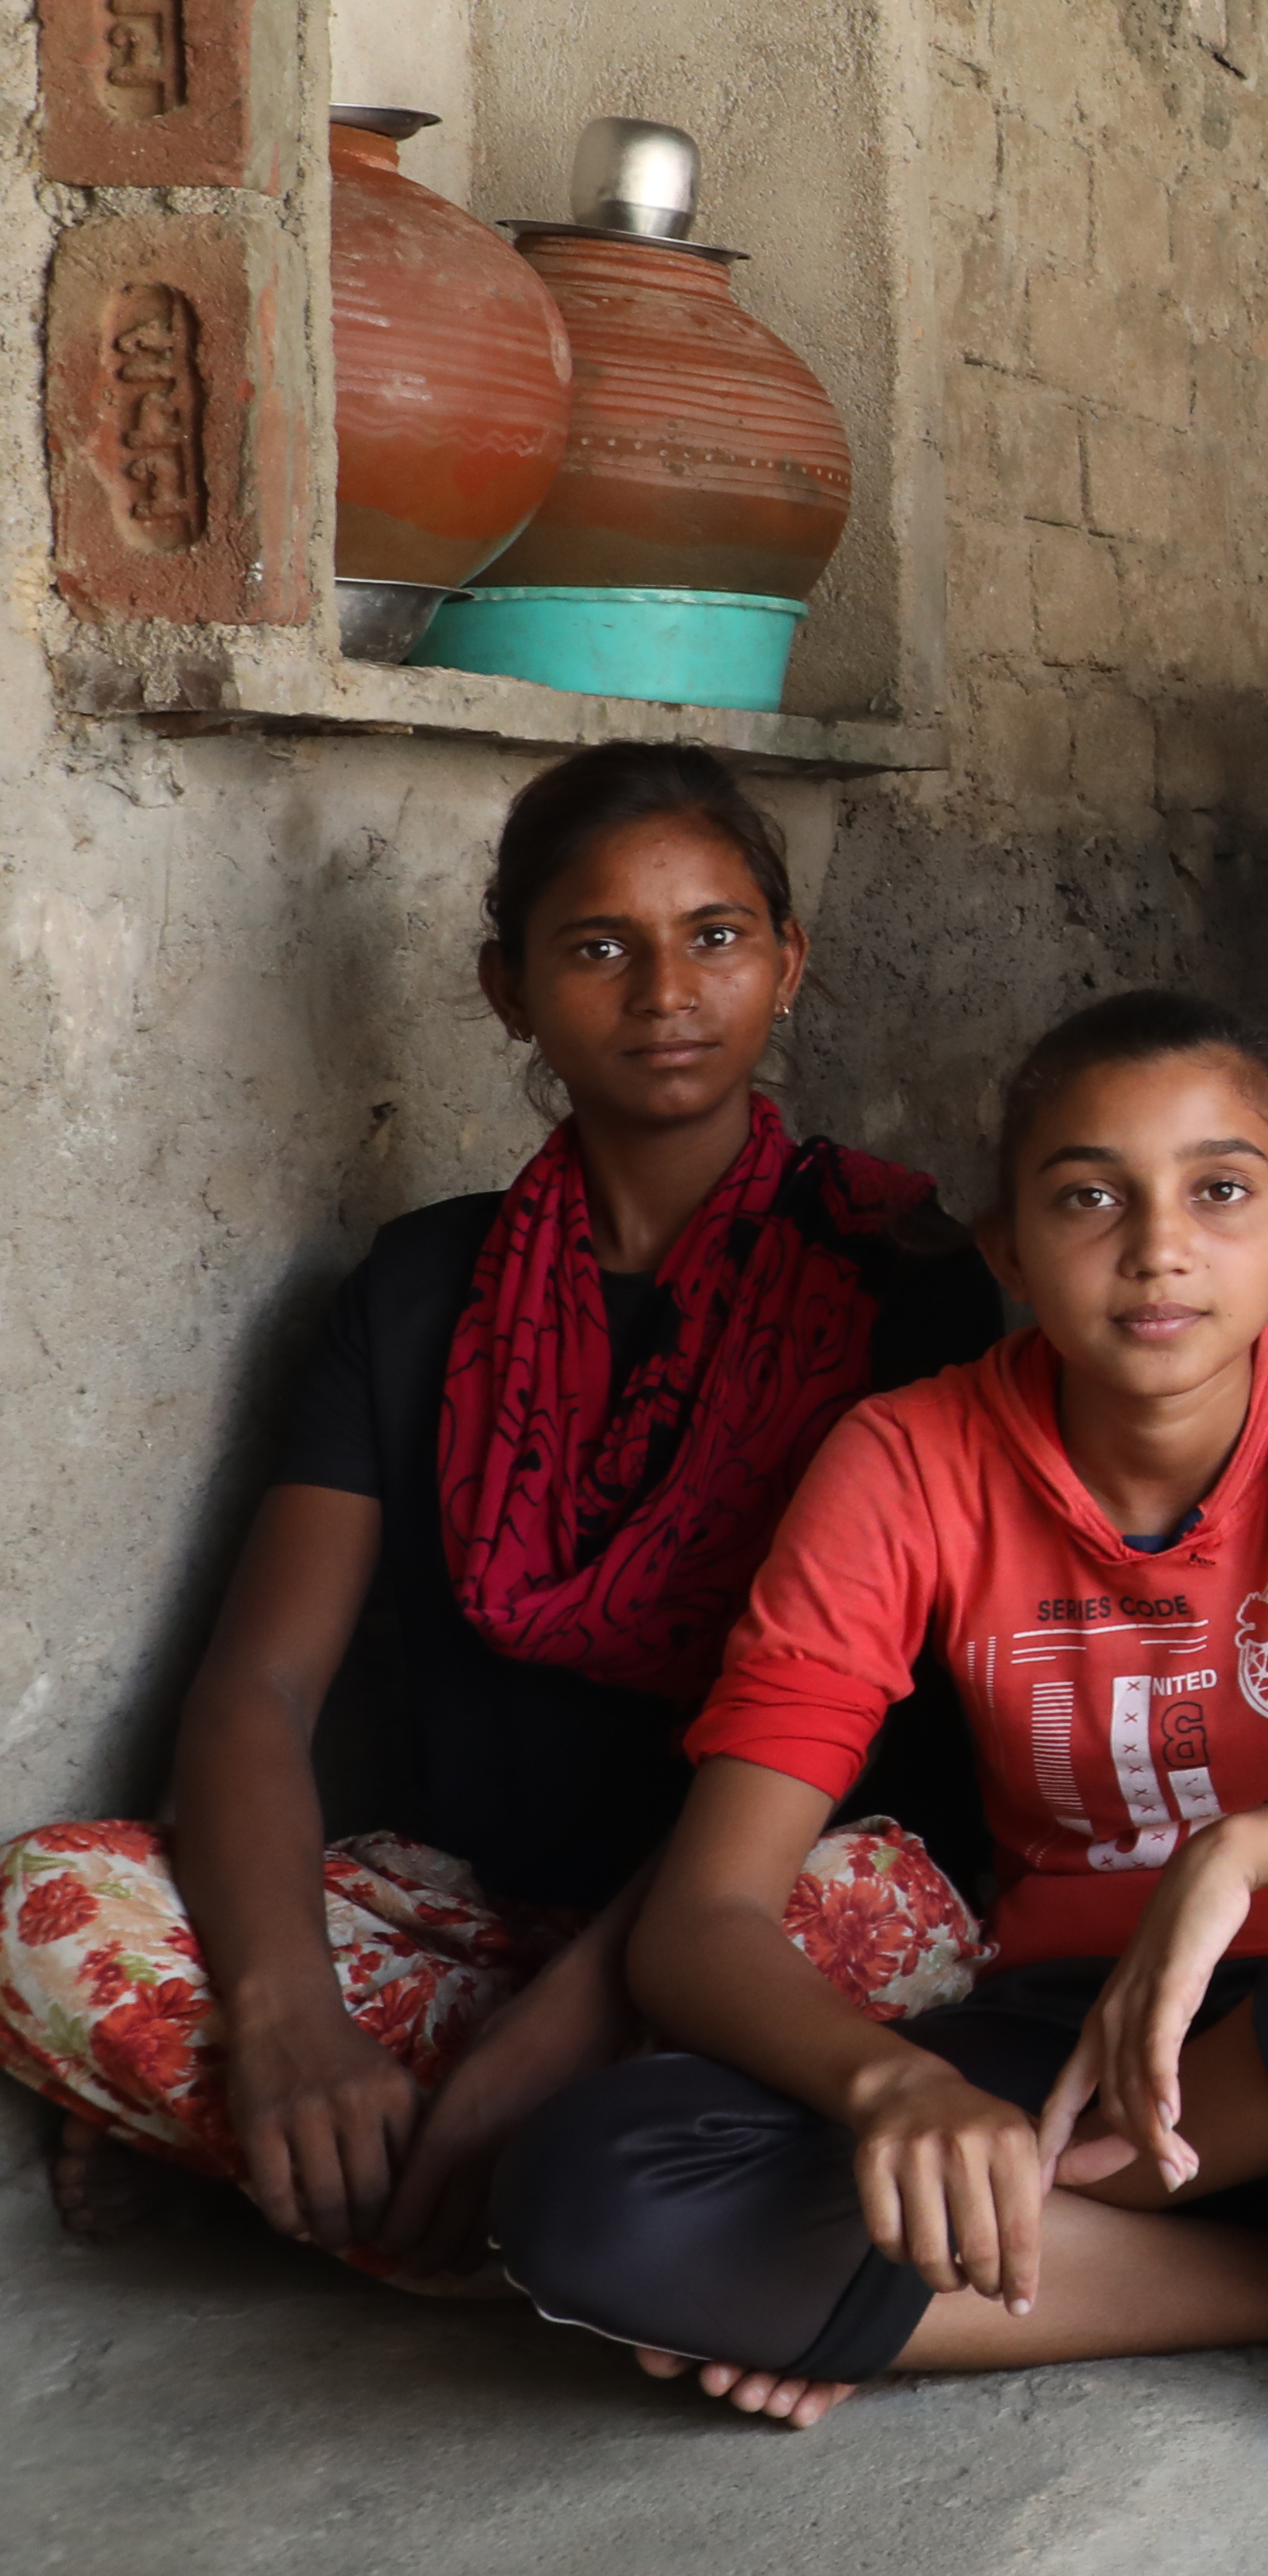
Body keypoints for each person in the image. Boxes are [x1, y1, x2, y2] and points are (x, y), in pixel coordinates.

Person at [493, 993, 1268, 2424]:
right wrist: (890, 2099)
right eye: (1089, 1196)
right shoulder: (905, 1459)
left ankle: (1007, 2260)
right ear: (1008, 1251)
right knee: (596, 2192)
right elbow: (701, 1921)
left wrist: (1240, 1856)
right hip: (1069, 2044)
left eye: (1219, 1191)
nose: (1158, 1247)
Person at [0, 746, 994, 2278]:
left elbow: (892, 1737)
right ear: (508, 987)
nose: (666, 986)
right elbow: (260, 1690)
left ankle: (369, 2184)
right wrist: (287, 2021)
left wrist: (566, 2026)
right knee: (43, 1903)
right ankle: (467, 2183)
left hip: (756, 1911)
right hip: (471, 1911)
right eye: (598, 945)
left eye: (717, 933)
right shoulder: (418, 1288)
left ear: (788, 963)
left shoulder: (898, 1276)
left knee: (893, 1922)